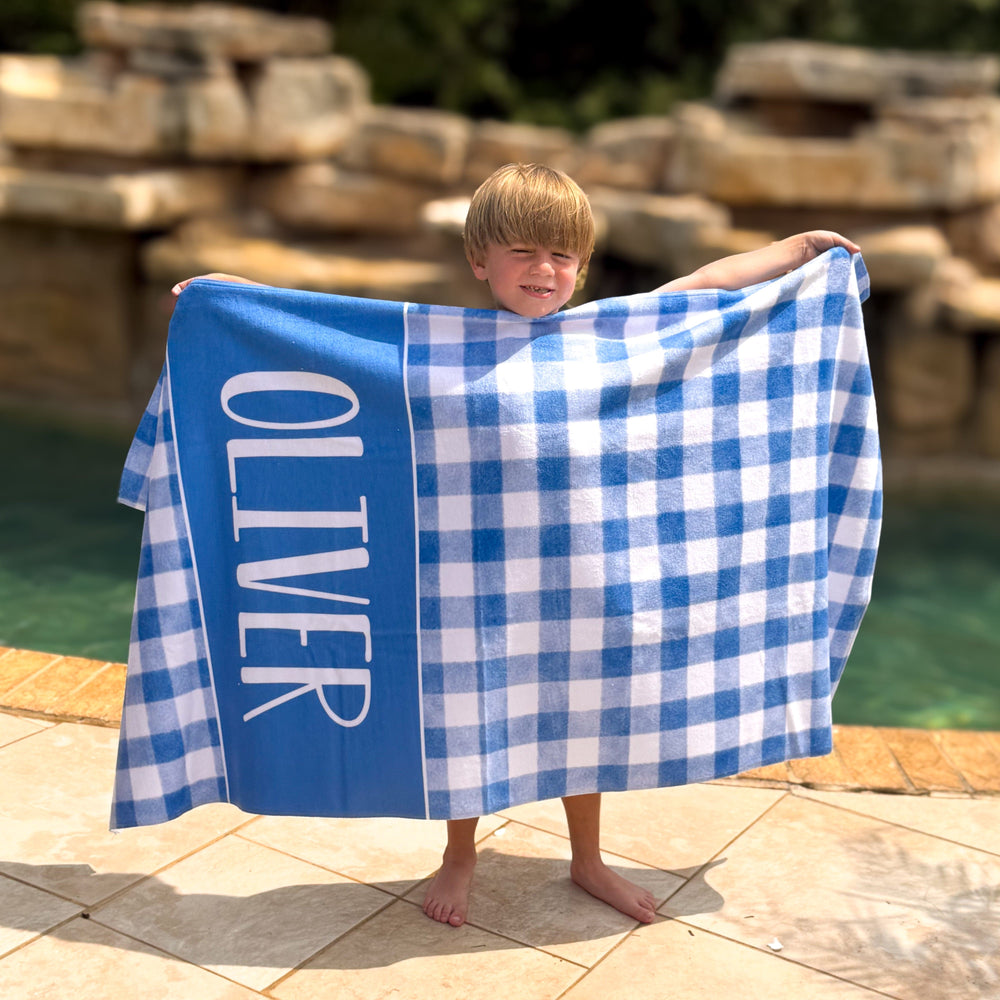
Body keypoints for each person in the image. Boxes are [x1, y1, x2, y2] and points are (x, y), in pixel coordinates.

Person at [173, 162, 860, 929]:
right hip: (475, 585)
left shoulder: (607, 338)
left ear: (583, 266)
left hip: (583, 578)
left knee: (589, 719)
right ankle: (460, 852)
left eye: (562, 256)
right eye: (524, 252)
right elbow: (327, 330)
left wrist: (797, 250)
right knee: (467, 717)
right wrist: (228, 298)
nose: (544, 270)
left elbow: (710, 284)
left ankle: (589, 859)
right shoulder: (439, 351)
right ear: (479, 260)